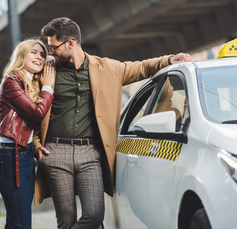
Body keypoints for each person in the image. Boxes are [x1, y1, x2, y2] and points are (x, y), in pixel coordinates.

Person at [33, 17, 191, 229]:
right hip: (55, 152)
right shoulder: (47, 71)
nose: (50, 52)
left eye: (53, 47)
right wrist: (35, 144)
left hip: (90, 154)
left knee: (94, 215)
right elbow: (31, 109)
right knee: (66, 220)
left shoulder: (107, 68)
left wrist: (170, 60)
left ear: (71, 42)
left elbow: (142, 68)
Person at [0, 38, 55, 229]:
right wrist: (48, 87)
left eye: (42, 54)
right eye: (34, 52)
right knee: (19, 223)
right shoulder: (11, 81)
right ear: (22, 55)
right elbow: (36, 113)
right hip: (11, 157)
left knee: (20, 221)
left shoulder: (32, 84)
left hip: (25, 156)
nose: (39, 57)